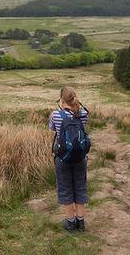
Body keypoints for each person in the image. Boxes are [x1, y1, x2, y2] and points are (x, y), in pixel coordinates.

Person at [49, 86, 89, 232]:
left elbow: (52, 129)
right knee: (80, 186)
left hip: (62, 158)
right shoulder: (83, 113)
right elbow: (83, 128)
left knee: (66, 188)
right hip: (80, 157)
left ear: (61, 100)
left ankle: (70, 223)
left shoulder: (55, 115)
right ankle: (81, 222)